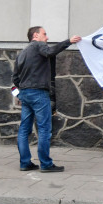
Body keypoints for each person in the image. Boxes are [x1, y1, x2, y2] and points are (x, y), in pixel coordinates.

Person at [12, 26, 81, 172]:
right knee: (44, 129)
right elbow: (50, 51)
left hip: (25, 93)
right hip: (38, 93)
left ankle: (25, 163)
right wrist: (68, 41)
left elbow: (15, 78)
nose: (47, 38)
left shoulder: (22, 53)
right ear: (35, 35)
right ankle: (46, 164)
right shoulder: (39, 45)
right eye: (45, 34)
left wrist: (22, 90)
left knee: (24, 129)